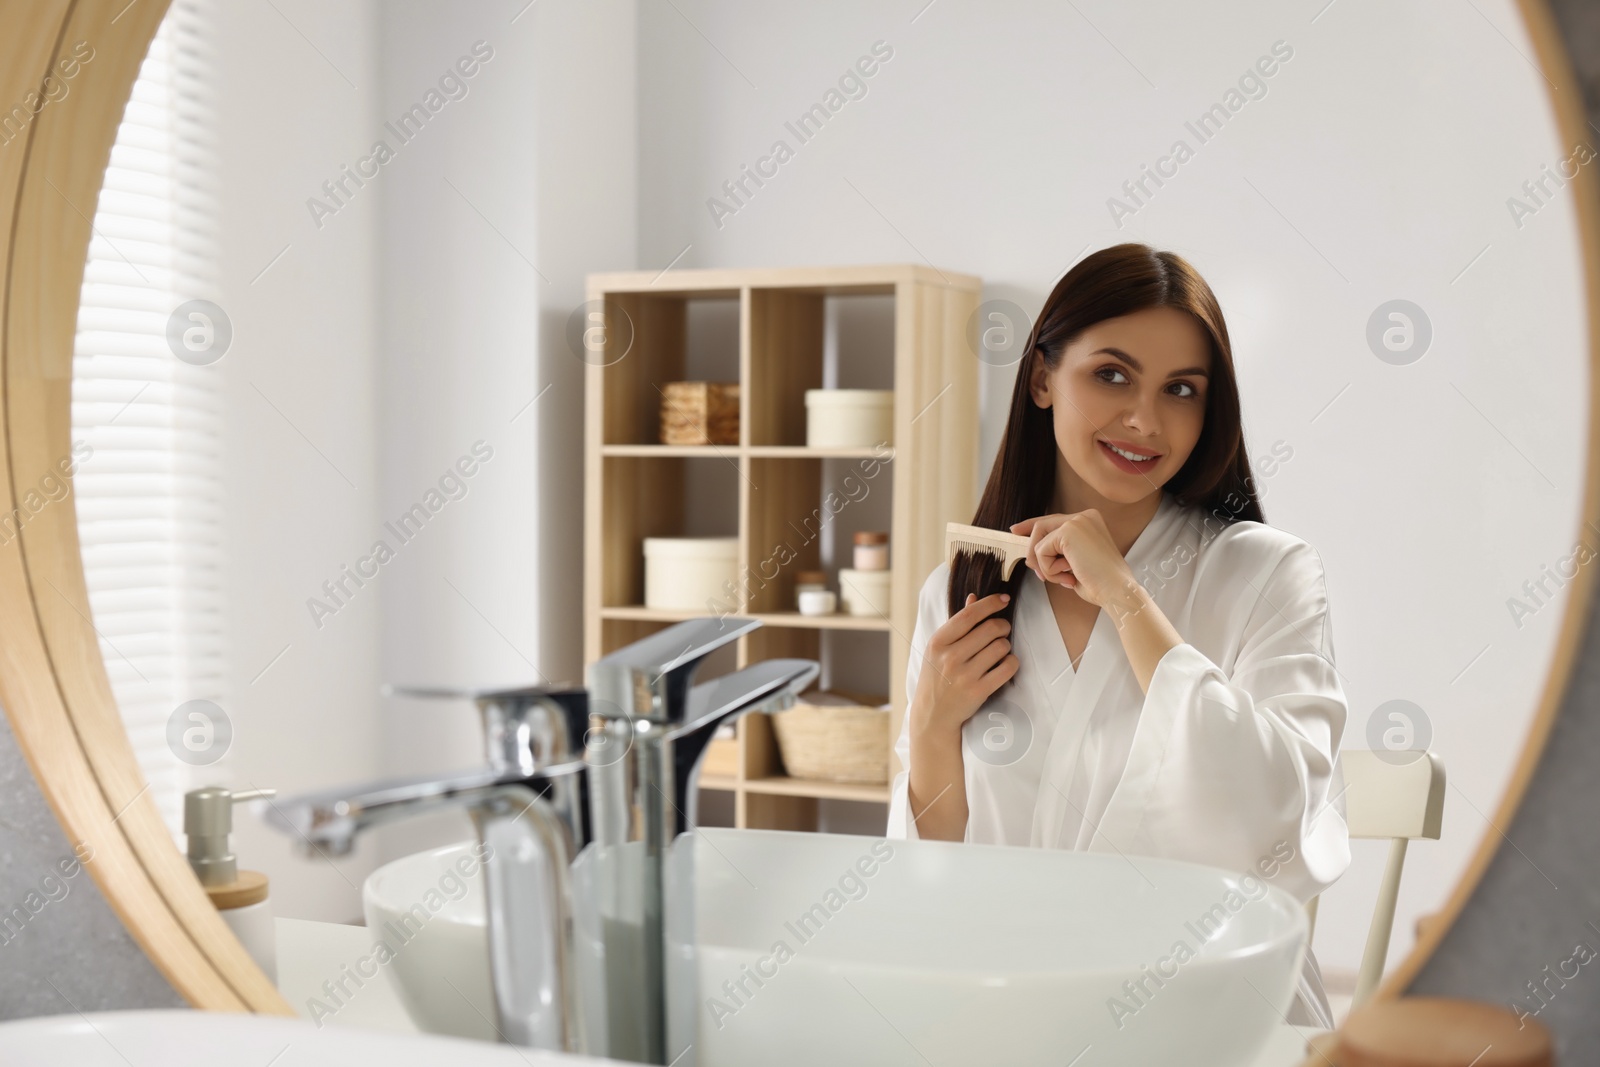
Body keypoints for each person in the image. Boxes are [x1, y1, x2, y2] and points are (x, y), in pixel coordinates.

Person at [886, 242, 1351, 1029]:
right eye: (1112, 374)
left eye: (1181, 389)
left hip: (1211, 1013)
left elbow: (1275, 817)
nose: (1145, 418)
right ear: (1041, 378)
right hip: (1018, 1014)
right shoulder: (962, 590)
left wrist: (1128, 599)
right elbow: (937, 882)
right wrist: (932, 728)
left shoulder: (1269, 575)